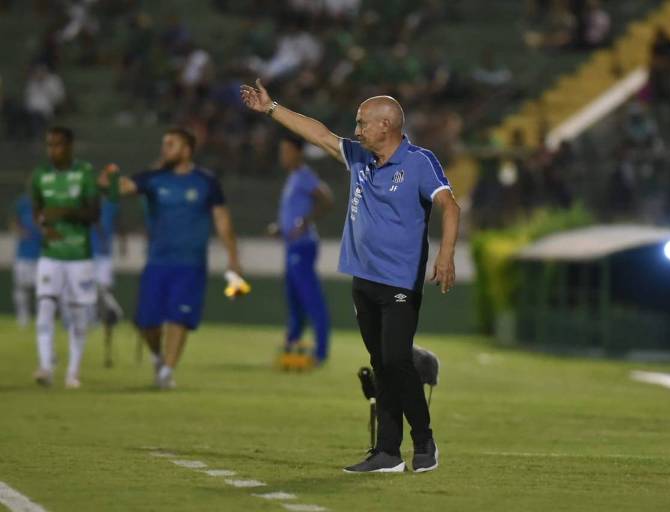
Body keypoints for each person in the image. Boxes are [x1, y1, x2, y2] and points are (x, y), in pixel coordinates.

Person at [241, 79, 460, 473]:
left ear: (386, 126)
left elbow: (450, 205)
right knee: (381, 363)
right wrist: (272, 107)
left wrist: (445, 255)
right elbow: (319, 132)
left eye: (362, 123)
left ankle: (424, 438)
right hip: (364, 277)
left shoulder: (419, 161)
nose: (356, 130)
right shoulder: (359, 157)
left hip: (400, 280)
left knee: (395, 358)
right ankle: (388, 453)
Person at [100, 128, 243, 389]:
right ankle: (158, 356)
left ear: (187, 150)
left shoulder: (206, 182)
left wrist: (233, 258)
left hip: (191, 264)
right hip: (157, 262)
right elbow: (121, 188)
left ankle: (166, 371)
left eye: (171, 145)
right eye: (164, 144)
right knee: (146, 323)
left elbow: (222, 221)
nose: (164, 149)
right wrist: (106, 183)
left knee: (179, 318)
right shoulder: (153, 178)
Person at [31, 126, 100, 389]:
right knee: (45, 307)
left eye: (58, 145)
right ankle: (46, 367)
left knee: (78, 314)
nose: (52, 150)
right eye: (49, 145)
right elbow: (38, 208)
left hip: (79, 255)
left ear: (70, 146)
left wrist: (64, 213)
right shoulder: (40, 175)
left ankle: (73, 372)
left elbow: (93, 214)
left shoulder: (84, 173)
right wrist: (45, 226)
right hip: (50, 254)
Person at [269, 134, 333, 367]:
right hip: (291, 245)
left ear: (297, 153)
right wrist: (281, 229)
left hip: (303, 247)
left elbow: (327, 200)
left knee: (311, 299)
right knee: (294, 300)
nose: (282, 156)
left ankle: (322, 351)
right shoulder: (293, 178)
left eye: (286, 151)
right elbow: (293, 213)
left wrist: (305, 223)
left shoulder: (305, 176)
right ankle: (292, 343)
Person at [90, 195, 125, 367]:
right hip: (89, 251)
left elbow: (119, 223)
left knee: (104, 288)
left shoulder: (112, 204)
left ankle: (110, 313)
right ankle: (104, 315)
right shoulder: (88, 203)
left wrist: (122, 241)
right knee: (93, 289)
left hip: (105, 253)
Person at [10, 193, 42, 328]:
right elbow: (13, 222)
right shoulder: (23, 202)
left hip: (41, 255)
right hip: (23, 255)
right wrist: (20, 231)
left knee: (42, 290)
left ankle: (41, 317)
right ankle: (23, 316)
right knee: (21, 286)